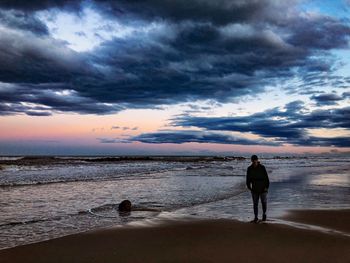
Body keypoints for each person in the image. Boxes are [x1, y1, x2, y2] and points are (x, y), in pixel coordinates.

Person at [246, 155, 270, 223]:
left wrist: (266, 187)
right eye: (253, 160)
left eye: (255, 160)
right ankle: (256, 217)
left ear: (257, 160)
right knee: (255, 204)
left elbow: (266, 179)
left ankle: (264, 215)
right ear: (251, 160)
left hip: (263, 189)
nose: (254, 161)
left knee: (264, 203)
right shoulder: (249, 168)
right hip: (254, 189)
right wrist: (249, 187)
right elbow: (248, 179)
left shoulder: (262, 167)